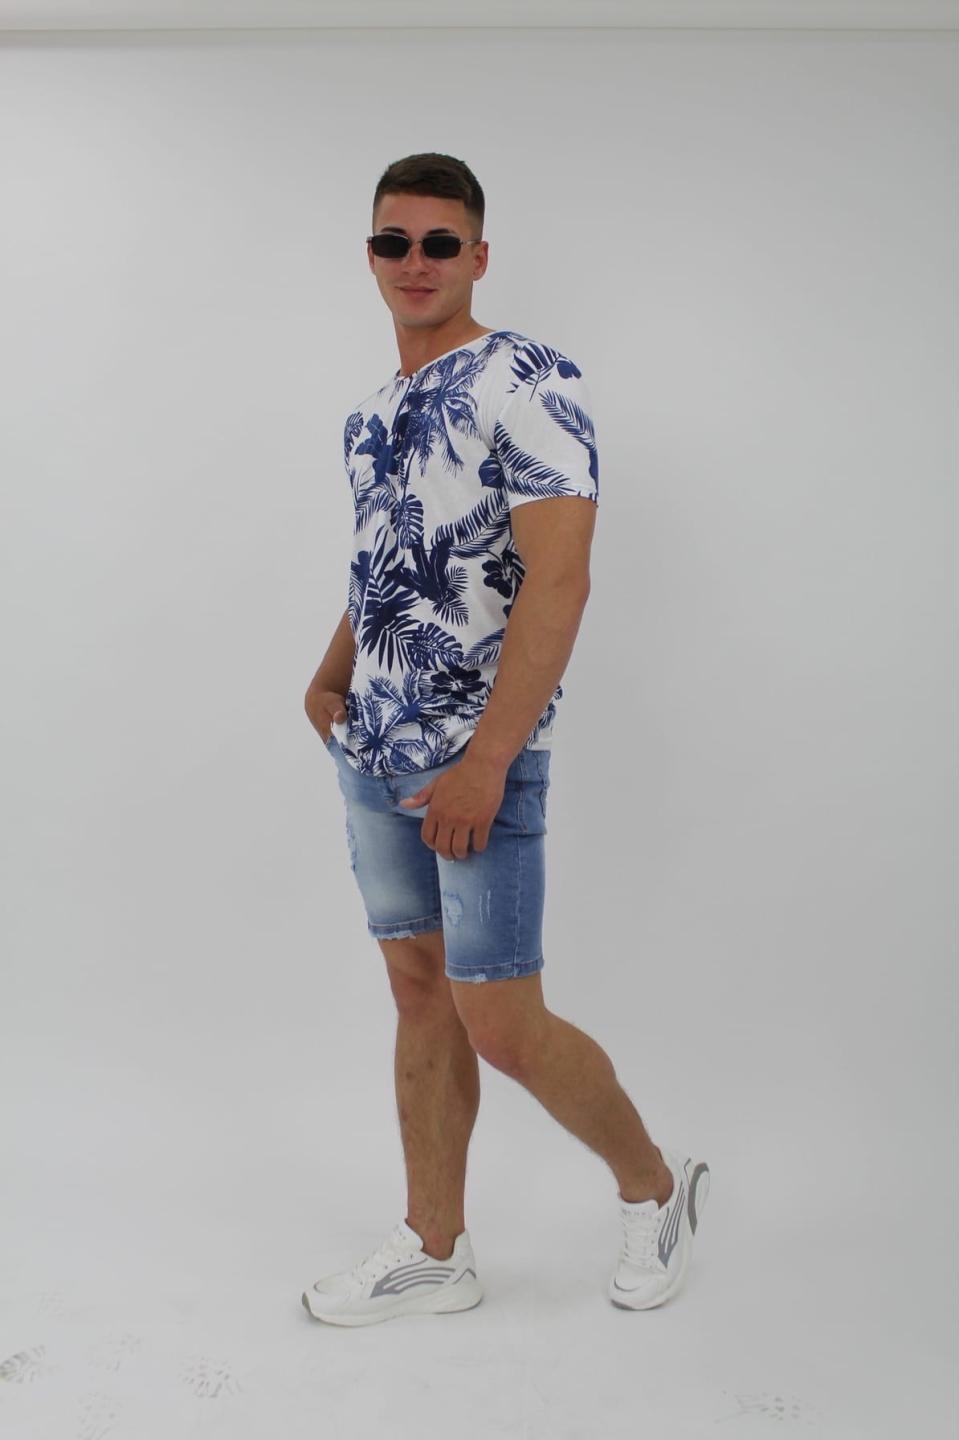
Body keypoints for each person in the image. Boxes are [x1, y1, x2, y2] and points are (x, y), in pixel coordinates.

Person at [301, 153, 709, 1326]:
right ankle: (436, 1248)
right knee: (417, 992)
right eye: (394, 242)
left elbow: (559, 578)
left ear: (477, 256)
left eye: (440, 243)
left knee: (500, 1019)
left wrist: (485, 760)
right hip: (373, 750)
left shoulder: (526, 378)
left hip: (476, 758)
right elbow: (390, 563)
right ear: (369, 255)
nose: (415, 262)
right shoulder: (370, 413)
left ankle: (654, 1188)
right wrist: (331, 673)